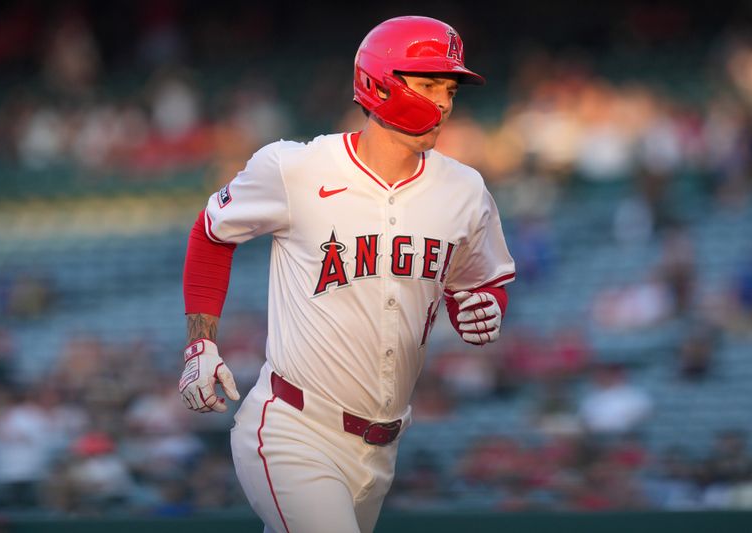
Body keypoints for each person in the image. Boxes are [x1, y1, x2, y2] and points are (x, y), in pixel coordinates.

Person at [178, 15, 515, 533]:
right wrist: (201, 343)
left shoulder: (464, 191)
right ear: (378, 83)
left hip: (381, 449)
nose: (445, 101)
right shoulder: (297, 168)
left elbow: (480, 282)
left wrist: (486, 308)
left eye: (449, 87)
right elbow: (210, 232)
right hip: (293, 427)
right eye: (428, 84)